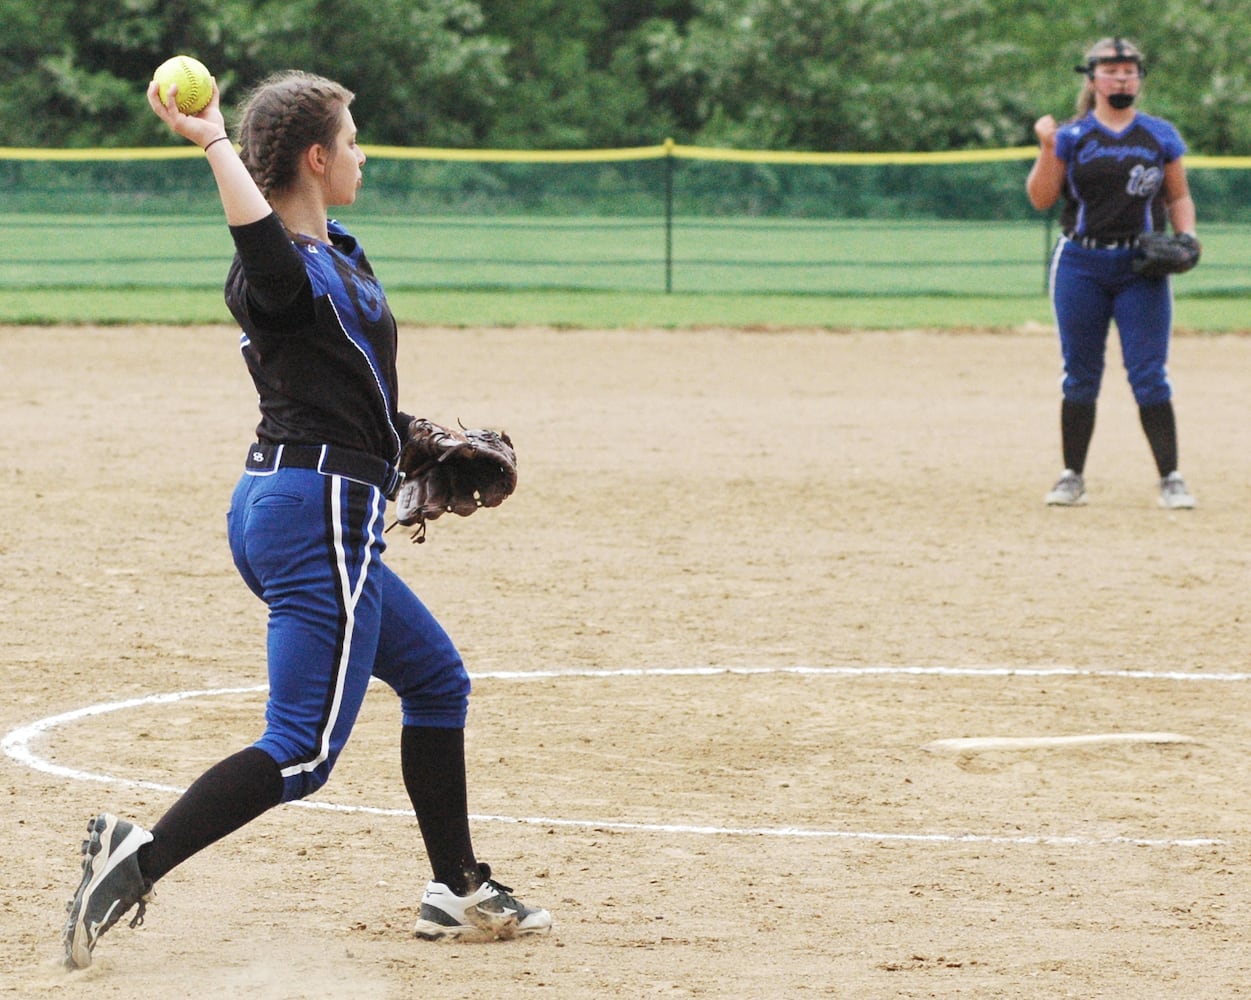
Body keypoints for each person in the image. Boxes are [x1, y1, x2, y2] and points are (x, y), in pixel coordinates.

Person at [61, 69, 551, 970]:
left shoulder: (339, 255)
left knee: (437, 680)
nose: (363, 153)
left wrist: (406, 436)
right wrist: (214, 139)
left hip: (310, 501)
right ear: (317, 158)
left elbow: (343, 377)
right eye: (351, 139)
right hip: (310, 508)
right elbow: (264, 247)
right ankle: (136, 862)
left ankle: (457, 891)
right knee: (302, 750)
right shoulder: (274, 270)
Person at [1026, 37, 1199, 509]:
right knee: (1080, 374)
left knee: (1149, 374)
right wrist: (1046, 146)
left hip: (1139, 267)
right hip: (1081, 264)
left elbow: (1178, 196)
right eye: (1111, 70)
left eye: (1130, 70)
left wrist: (1187, 236)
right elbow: (1042, 198)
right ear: (1092, 78)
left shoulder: (1158, 135)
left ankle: (1171, 477)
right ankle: (1071, 476)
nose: (1122, 78)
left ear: (1140, 78)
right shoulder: (1071, 136)